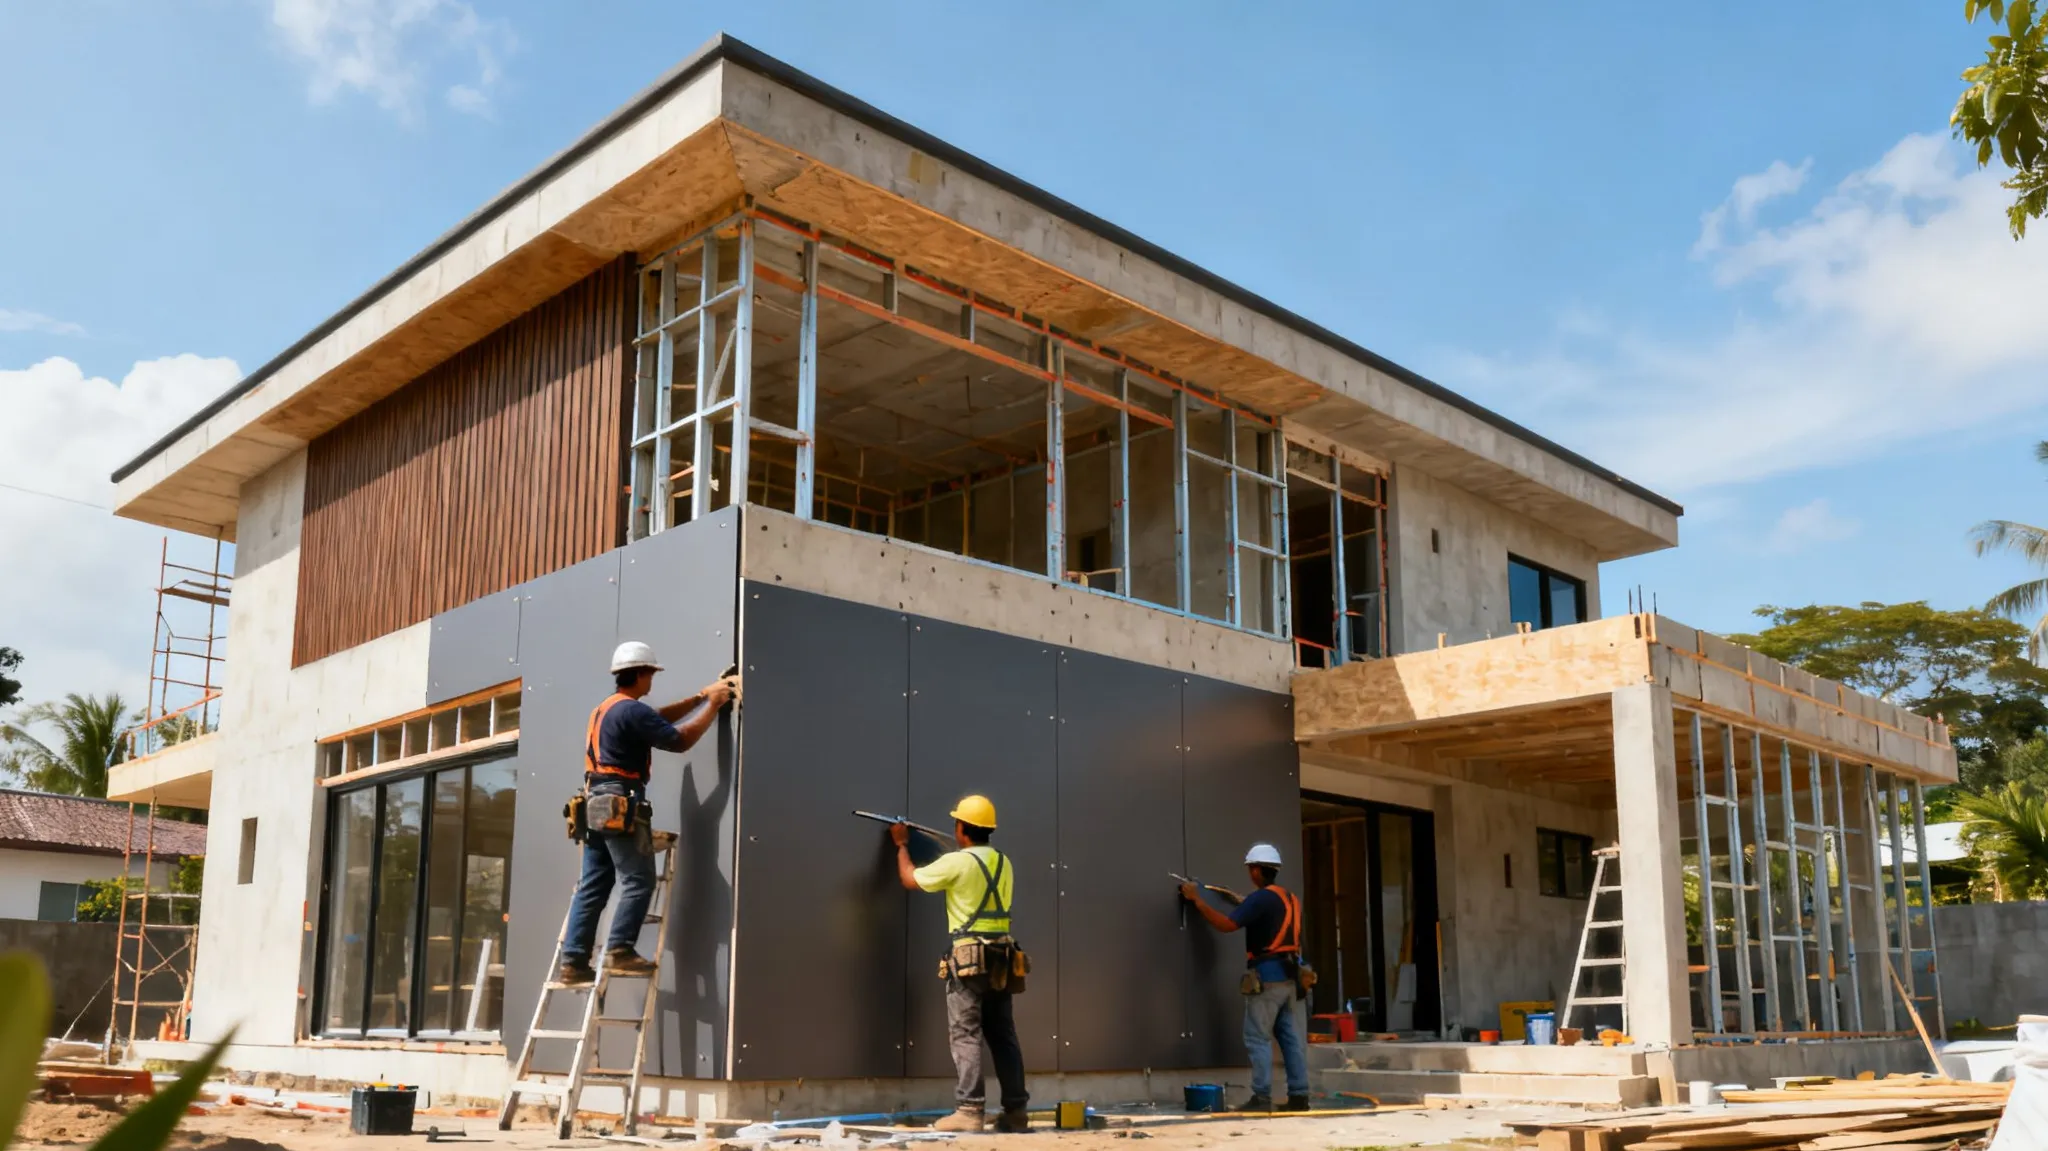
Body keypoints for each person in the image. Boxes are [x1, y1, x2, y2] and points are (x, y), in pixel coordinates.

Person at [557, 641, 736, 986]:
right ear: (641, 674)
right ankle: (619, 950)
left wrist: (700, 698)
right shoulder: (632, 711)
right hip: (618, 801)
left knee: (593, 885)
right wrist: (714, 705)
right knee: (639, 881)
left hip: (594, 804)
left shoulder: (609, 708)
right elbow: (679, 741)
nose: (652, 680)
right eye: (651, 674)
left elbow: (654, 720)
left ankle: (573, 963)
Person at [890, 795, 1029, 1133]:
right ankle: (1016, 1112)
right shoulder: (1004, 862)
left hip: (969, 960)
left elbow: (909, 878)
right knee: (1003, 1035)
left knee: (965, 1034)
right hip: (1002, 959)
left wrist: (902, 845)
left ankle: (969, 1111)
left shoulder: (958, 862)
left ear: (962, 828)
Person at [1180, 842, 1310, 1113]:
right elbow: (1270, 920)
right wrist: (1245, 904)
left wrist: (1197, 900)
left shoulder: (1260, 899)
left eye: (1250, 869)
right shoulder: (1288, 897)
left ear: (1256, 871)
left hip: (1268, 977)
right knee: (1290, 1039)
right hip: (1291, 979)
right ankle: (1299, 1096)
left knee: (1257, 1037)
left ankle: (1261, 1097)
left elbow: (1227, 925)